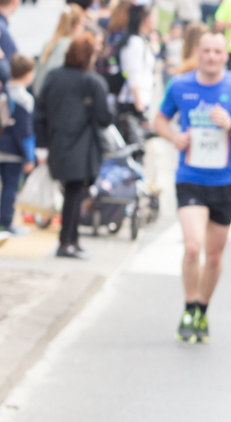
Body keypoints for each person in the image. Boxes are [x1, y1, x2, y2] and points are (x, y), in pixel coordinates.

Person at [154, 29, 231, 341]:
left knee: (214, 257)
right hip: (190, 178)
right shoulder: (180, 85)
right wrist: (174, 136)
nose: (212, 57)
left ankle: (202, 309)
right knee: (192, 247)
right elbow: (160, 119)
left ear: (226, 55)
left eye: (218, 52)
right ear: (198, 53)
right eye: (207, 51)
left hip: (225, 180)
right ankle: (189, 306)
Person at [33, 33, 113, 260]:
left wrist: (42, 145)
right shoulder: (93, 81)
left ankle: (72, 240)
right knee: (74, 194)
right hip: (83, 146)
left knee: (73, 193)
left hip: (57, 142)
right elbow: (105, 117)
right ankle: (66, 242)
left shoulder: (54, 76)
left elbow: (40, 112)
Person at [0, 53, 36, 240]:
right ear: (29, 74)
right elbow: (26, 132)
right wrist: (29, 156)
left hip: (2, 142)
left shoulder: (4, 90)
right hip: (14, 150)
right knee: (11, 186)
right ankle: (5, 221)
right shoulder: (24, 98)